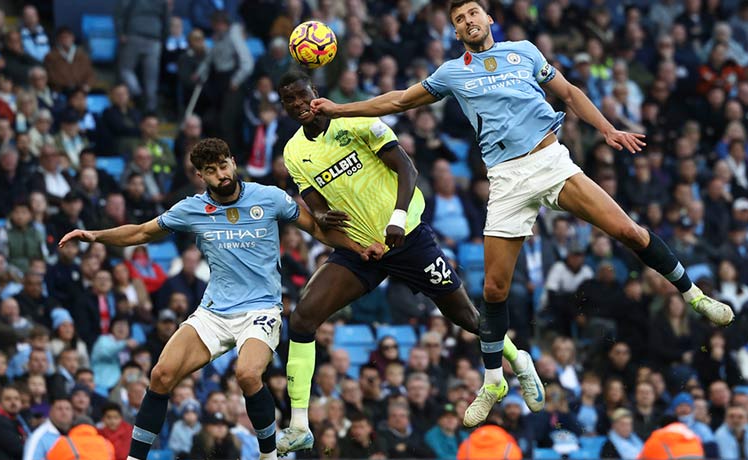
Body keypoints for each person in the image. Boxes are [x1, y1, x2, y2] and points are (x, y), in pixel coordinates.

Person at [310, 0, 735, 427]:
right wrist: (338, 108)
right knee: (494, 290)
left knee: (629, 231)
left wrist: (607, 128)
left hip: (551, 163)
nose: (467, 21)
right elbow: (399, 101)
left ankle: (694, 296)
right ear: (456, 33)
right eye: (459, 19)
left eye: (473, 13)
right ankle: (494, 381)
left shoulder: (525, 52)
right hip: (507, 180)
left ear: (488, 18)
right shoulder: (452, 73)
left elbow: (568, 93)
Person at [58, 138, 381, 460]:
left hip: (261, 309)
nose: (220, 175)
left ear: (233, 162)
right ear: (201, 176)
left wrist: (360, 248)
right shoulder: (191, 209)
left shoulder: (269, 197)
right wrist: (94, 236)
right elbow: (142, 233)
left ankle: (268, 455)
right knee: (160, 375)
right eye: (210, 171)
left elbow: (318, 230)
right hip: (213, 312)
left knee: (247, 374)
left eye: (223, 166)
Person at [276, 69, 545, 453]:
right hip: (362, 251)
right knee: (302, 319)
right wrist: (338, 233)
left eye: (303, 96)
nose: (299, 105)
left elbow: (407, 167)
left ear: (315, 92)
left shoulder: (357, 120)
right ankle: (300, 424)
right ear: (284, 106)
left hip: (408, 238)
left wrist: (397, 218)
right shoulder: (293, 152)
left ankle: (518, 362)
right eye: (290, 101)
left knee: (466, 317)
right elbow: (318, 211)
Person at [0, 384, 30, 460]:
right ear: (0, 403)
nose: (13, 402)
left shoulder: (18, 419)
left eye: (16, 398)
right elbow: (19, 450)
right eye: (8, 399)